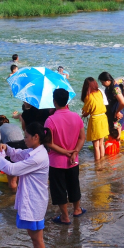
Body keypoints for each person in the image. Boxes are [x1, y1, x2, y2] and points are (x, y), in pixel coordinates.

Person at [0, 123, 51, 248]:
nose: (24, 139)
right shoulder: (35, 151)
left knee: (37, 238)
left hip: (34, 201)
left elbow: (12, 169)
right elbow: (19, 154)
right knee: (34, 237)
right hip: (33, 199)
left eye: (26, 136)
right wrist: (7, 149)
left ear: (36, 137)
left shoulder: (38, 156)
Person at [45, 88, 85, 224]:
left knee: (59, 188)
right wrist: (75, 151)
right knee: (74, 185)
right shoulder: (76, 116)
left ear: (54, 101)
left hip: (56, 162)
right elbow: (82, 138)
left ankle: (65, 216)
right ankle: (77, 209)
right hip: (74, 160)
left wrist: (64, 152)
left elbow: (49, 143)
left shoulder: (50, 120)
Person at [80, 77, 109, 160]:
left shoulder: (88, 97)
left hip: (95, 120)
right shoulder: (99, 92)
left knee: (95, 146)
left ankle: (98, 165)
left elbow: (86, 111)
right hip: (103, 118)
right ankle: (102, 160)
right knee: (101, 144)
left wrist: (84, 114)